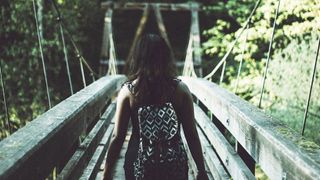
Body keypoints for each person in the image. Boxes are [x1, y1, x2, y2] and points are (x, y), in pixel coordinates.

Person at [103, 34, 209, 180]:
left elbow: (118, 137)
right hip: (173, 164)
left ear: (138, 58)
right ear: (166, 58)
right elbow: (191, 134)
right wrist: (201, 171)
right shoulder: (181, 90)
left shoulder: (128, 92)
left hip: (138, 163)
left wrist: (107, 173)